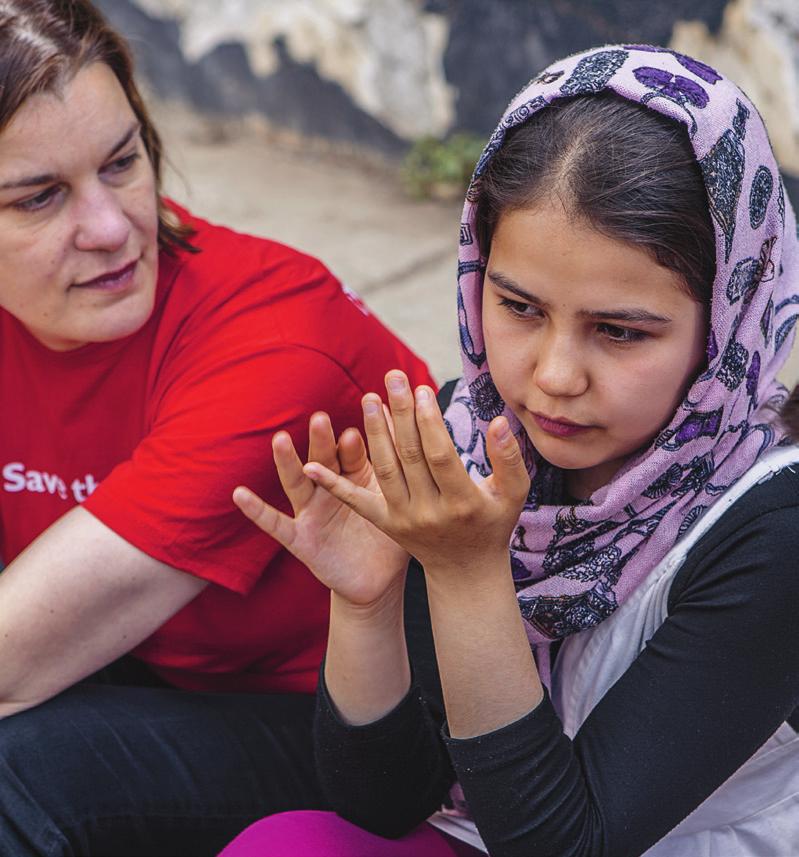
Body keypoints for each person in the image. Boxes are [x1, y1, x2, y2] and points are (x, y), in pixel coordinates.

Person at [225, 45, 799, 857]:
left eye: (619, 330)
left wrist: (467, 574)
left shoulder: (772, 531)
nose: (554, 377)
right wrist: (365, 606)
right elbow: (384, 801)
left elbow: (566, 844)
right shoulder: (475, 438)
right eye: (519, 307)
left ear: (728, 321)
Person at [0, 1, 434, 855]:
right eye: (40, 197)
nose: (112, 227)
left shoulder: (274, 338)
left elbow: (17, 658)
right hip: (148, 674)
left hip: (357, 729)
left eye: (122, 164)